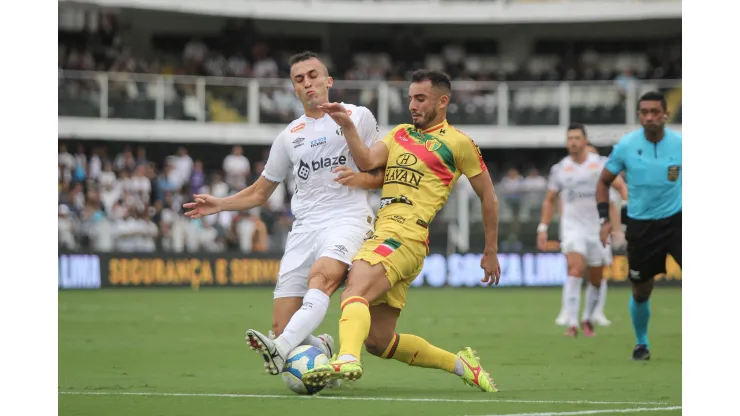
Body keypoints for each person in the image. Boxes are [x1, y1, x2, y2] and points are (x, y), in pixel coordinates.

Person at [183, 51, 384, 378]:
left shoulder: (357, 115)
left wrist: (361, 177)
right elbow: (261, 192)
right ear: (294, 89)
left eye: (313, 75)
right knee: (281, 323)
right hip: (304, 228)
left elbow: (382, 173)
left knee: (320, 278)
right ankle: (320, 348)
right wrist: (220, 203)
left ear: (328, 81)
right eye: (299, 79)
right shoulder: (289, 136)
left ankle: (279, 350)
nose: (308, 83)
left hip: (346, 218)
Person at [302, 69, 501, 392]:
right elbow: (366, 161)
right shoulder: (400, 134)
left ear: (442, 101)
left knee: (356, 290)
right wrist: (348, 126)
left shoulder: (459, 143)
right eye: (410, 98)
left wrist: (490, 250)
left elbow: (488, 197)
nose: (413, 105)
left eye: (421, 99)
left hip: (405, 233)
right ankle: (461, 364)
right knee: (379, 341)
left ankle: (345, 358)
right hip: (393, 235)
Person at [596, 91, 681, 360]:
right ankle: (641, 343)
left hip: (678, 222)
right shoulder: (626, 146)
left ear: (665, 114)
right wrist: (604, 218)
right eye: (644, 112)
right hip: (642, 226)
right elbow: (603, 182)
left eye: (654, 112)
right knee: (641, 289)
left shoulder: (681, 144)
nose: (649, 117)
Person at [538, 128, 627, 337]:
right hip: (572, 228)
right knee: (575, 269)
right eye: (570, 138)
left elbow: (621, 186)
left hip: (598, 228)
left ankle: (588, 319)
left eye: (577, 138)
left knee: (596, 278)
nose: (574, 142)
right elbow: (550, 199)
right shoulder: (560, 169)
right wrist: (543, 227)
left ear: (586, 141)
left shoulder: (601, 164)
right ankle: (571, 323)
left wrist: (625, 210)